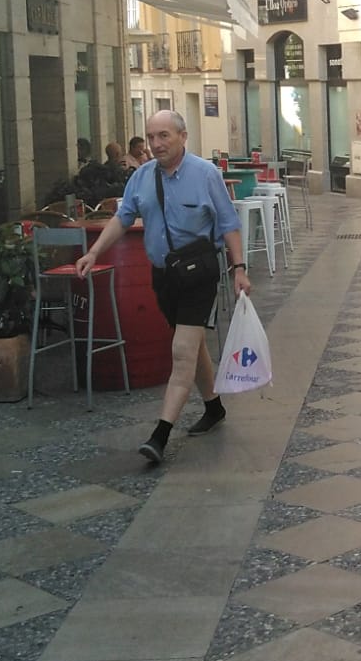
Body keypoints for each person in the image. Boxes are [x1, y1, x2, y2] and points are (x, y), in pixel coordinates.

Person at [77, 109, 251, 463]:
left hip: (199, 275)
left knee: (182, 351)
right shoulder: (141, 178)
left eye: (164, 136)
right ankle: (214, 408)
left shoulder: (205, 175)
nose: (156, 144)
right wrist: (94, 251)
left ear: (183, 137)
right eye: (151, 137)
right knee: (193, 345)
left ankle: (160, 434)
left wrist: (239, 268)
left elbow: (229, 222)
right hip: (164, 277)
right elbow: (123, 217)